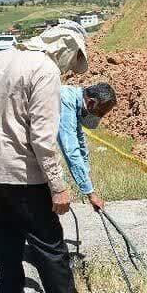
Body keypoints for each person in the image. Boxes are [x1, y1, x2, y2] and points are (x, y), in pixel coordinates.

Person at [0, 21, 107, 293]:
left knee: (4, 233)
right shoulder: (46, 71)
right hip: (22, 174)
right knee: (50, 247)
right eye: (72, 60)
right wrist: (57, 186)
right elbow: (42, 137)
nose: (69, 68)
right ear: (66, 49)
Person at [57, 82, 117, 210]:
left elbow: (80, 141)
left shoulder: (76, 102)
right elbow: (70, 150)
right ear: (91, 103)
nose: (99, 117)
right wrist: (91, 194)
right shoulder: (65, 101)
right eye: (99, 113)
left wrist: (86, 175)